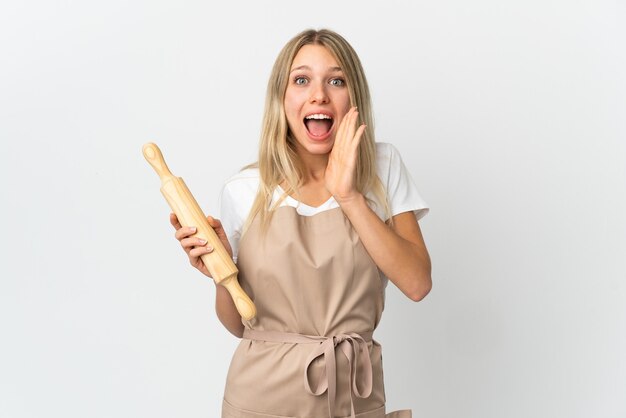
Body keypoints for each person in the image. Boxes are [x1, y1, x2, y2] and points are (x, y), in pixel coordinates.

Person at [170, 29, 431, 418]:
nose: (319, 94)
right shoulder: (245, 190)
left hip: (352, 399)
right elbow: (242, 326)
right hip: (260, 398)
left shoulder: (382, 168)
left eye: (336, 81)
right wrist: (220, 275)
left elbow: (417, 283)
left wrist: (349, 196)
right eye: (301, 79)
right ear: (282, 98)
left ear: (354, 97)